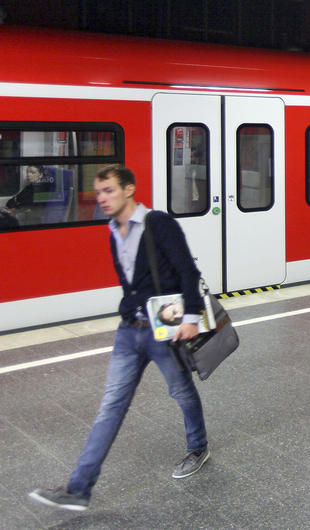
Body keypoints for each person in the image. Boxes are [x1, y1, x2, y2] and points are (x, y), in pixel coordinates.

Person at [29, 165, 210, 512]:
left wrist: (191, 317)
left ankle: (198, 446)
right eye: (99, 192)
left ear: (129, 189)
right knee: (110, 406)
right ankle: (78, 489)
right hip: (129, 331)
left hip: (164, 329)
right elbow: (131, 283)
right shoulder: (113, 231)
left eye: (109, 190)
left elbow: (188, 270)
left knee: (181, 392)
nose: (101, 198)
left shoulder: (159, 224)